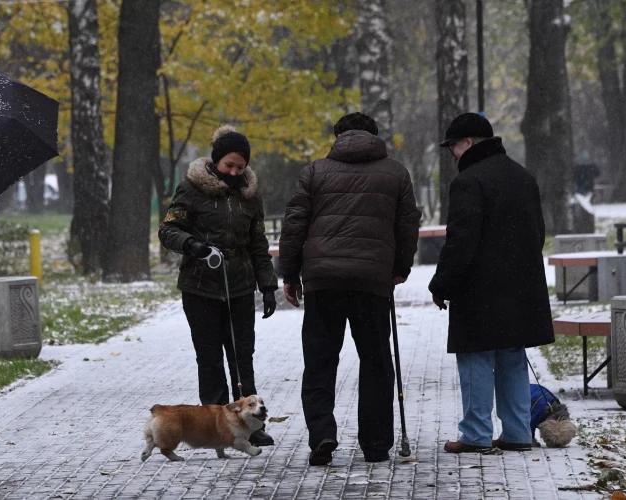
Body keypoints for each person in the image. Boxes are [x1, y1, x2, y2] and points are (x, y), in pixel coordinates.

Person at [277, 112, 421, 465]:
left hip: (323, 279)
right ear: (375, 135)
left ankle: (322, 433)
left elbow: (295, 224)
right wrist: (399, 268)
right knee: (375, 362)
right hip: (372, 282)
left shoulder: (314, 171)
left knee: (320, 361)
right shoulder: (396, 173)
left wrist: (290, 274)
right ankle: (375, 444)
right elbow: (407, 226)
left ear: (338, 136)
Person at [429, 113, 555, 453]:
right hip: (520, 286)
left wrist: (441, 284)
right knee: (512, 356)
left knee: (475, 359)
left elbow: (461, 241)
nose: (452, 153)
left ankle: (475, 434)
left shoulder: (469, 182)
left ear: (468, 143)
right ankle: (517, 432)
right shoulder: (523, 177)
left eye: (453, 146)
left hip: (480, 289)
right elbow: (538, 233)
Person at [158, 125, 278, 447]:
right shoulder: (191, 189)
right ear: (217, 161)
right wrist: (192, 245)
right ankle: (217, 427)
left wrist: (267, 285)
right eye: (229, 165)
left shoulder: (249, 196)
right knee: (209, 358)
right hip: (201, 287)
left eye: (240, 167)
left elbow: (257, 242)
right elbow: (168, 231)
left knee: (242, 356)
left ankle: (251, 424)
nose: (235, 172)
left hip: (239, 287)